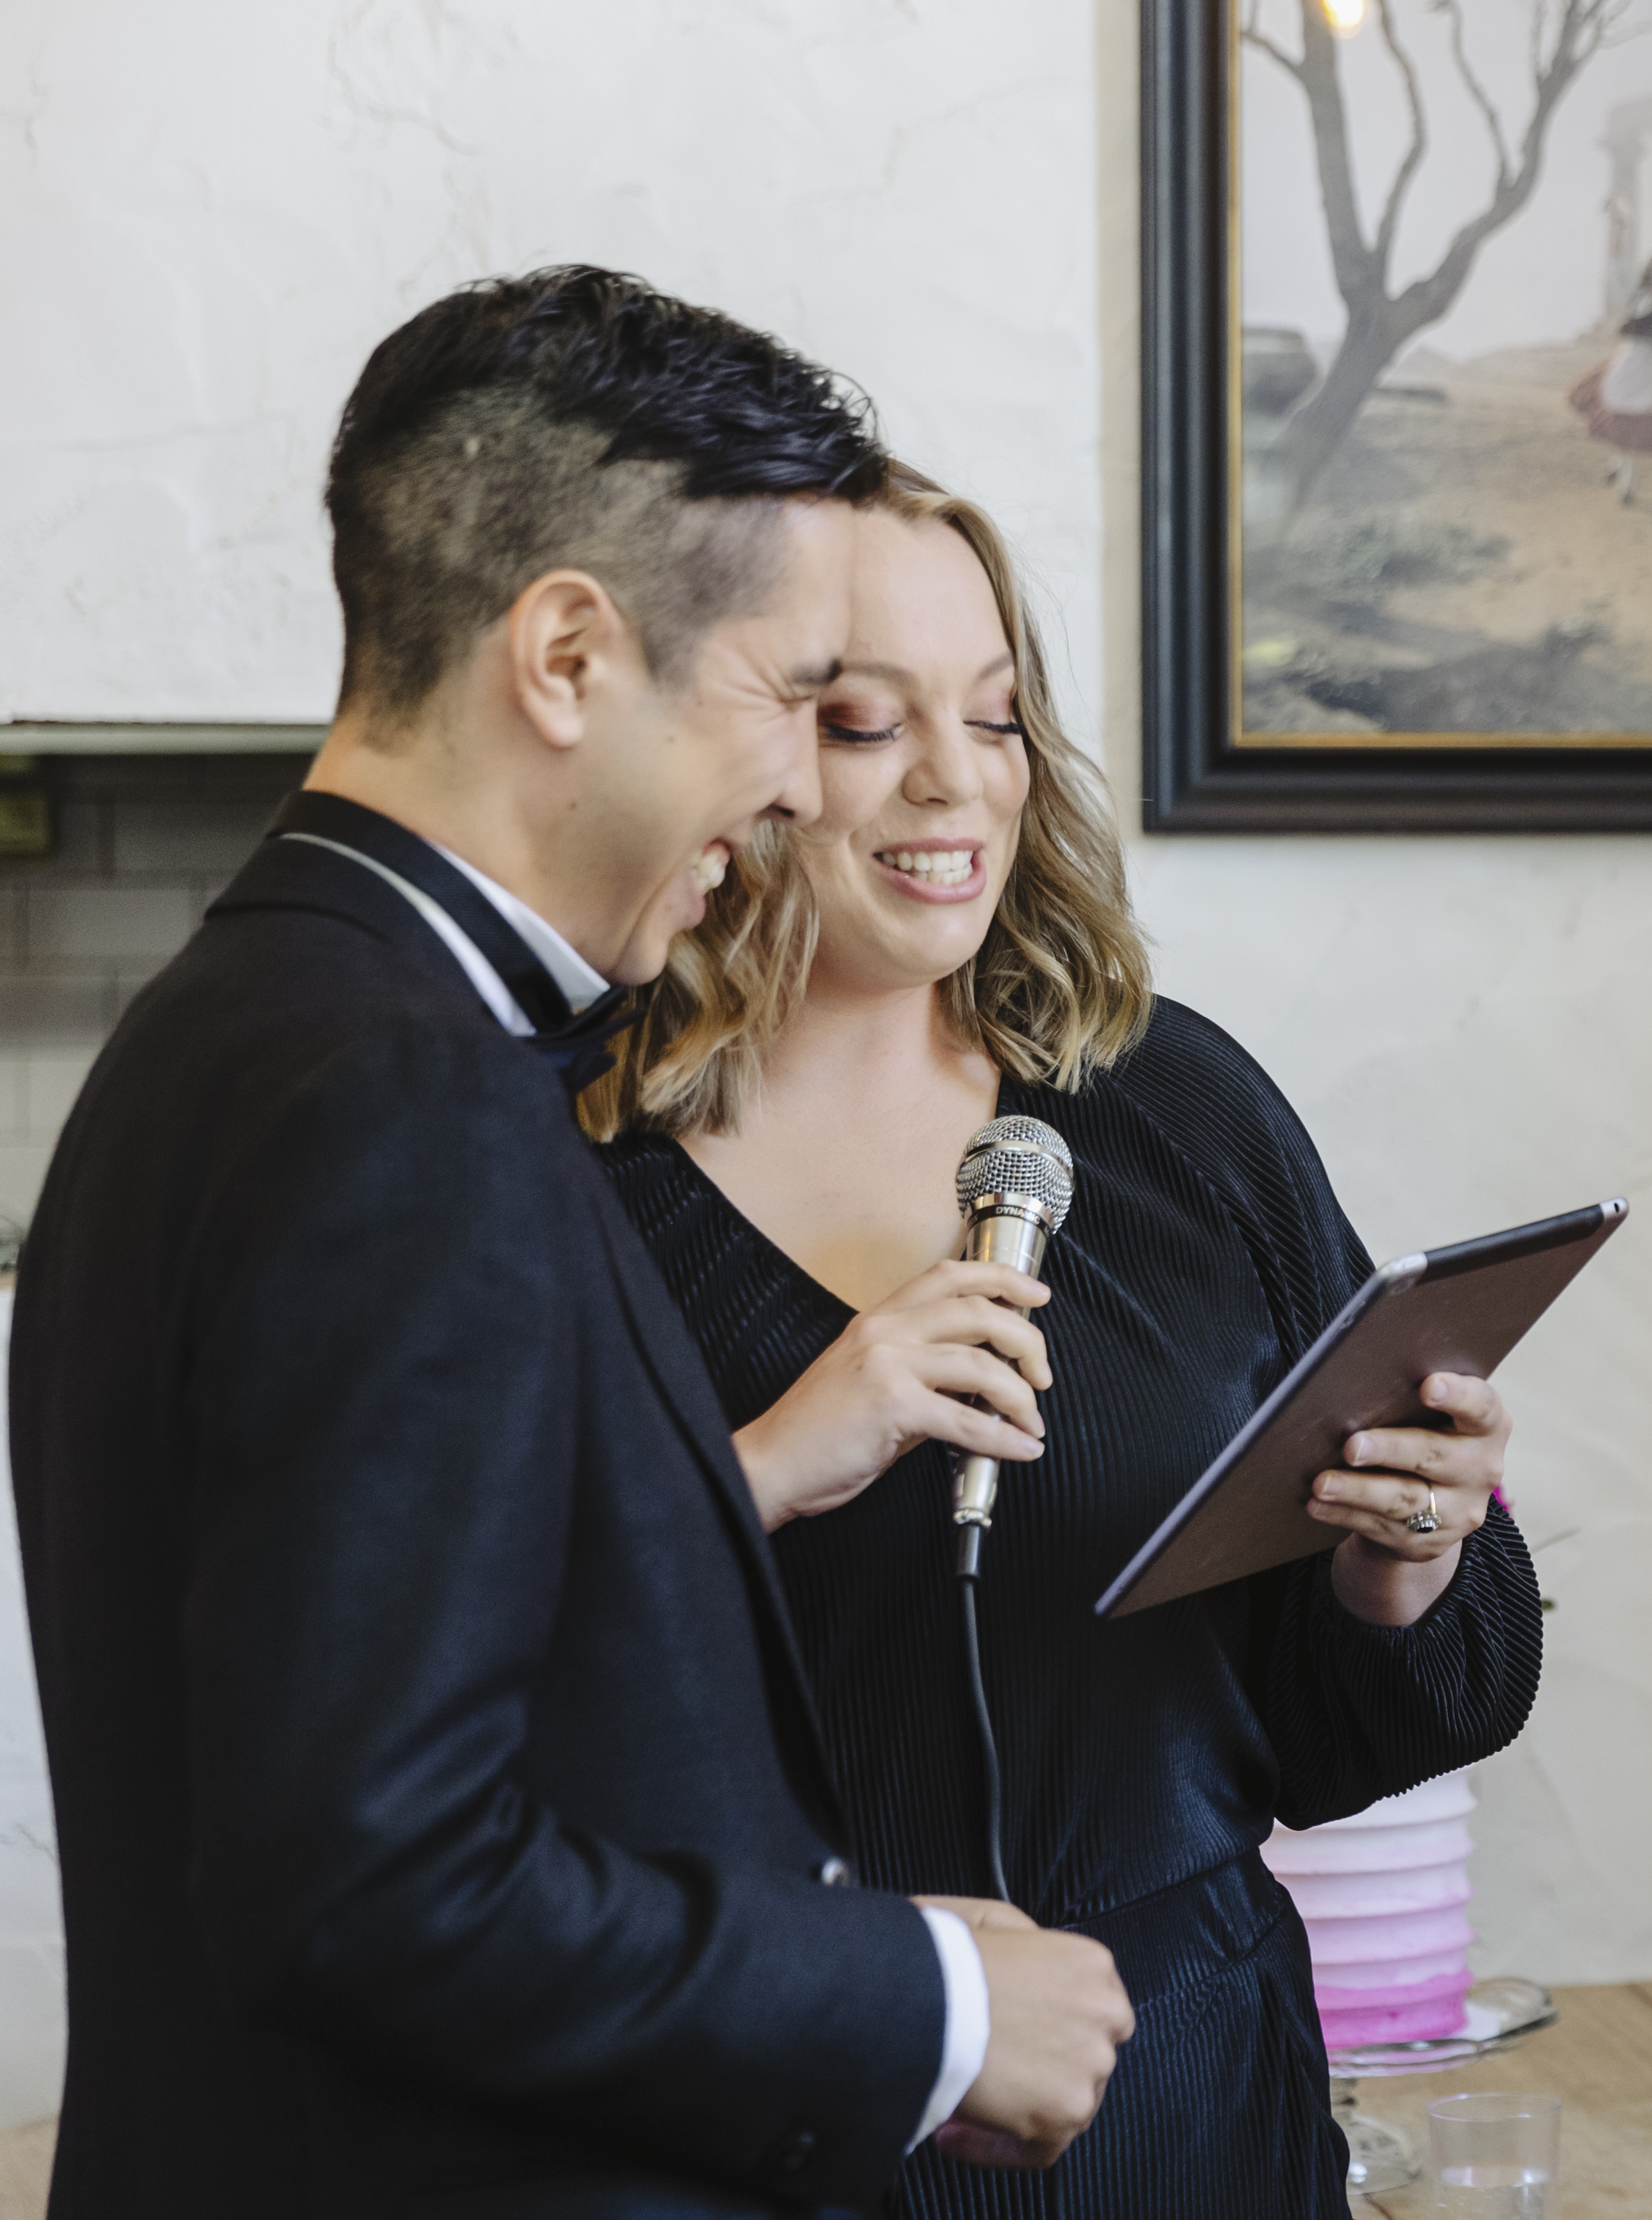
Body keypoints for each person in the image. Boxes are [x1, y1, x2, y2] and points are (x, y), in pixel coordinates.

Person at [10, 268, 1134, 2219]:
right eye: (792, 698)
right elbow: (373, 1883)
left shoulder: (237, 1020)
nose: (795, 787)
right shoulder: (401, 1098)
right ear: (566, 658)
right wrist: (926, 2004)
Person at [583, 461, 1546, 2218]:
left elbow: (1333, 1737)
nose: (957, 781)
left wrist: (1402, 1560)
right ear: (728, 743)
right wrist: (767, 1464)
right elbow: (445, 1700)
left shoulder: (1177, 1104)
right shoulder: (562, 1168)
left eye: (996, 714)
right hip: (761, 2099)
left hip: (1181, 2095)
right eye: (869, 723)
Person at [1569, 253, 1652, 503]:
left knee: (1636, 422)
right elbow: (1619, 270)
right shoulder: (1640, 294)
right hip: (1633, 360)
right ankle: (1623, 476)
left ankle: (1625, 478)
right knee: (1624, 416)